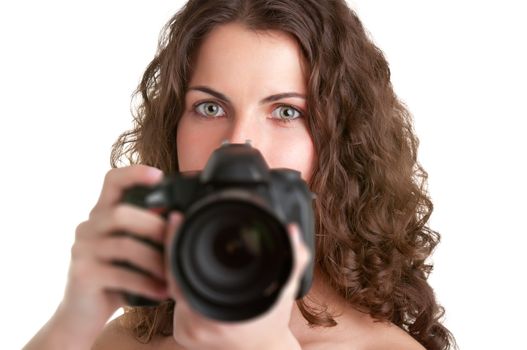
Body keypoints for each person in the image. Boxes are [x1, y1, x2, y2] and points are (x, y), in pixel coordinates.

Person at [23, 0, 456, 349]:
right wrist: (75, 319)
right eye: (209, 108)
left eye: (286, 112)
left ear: (340, 144)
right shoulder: (127, 340)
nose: (239, 143)